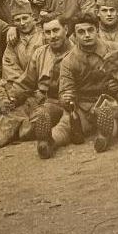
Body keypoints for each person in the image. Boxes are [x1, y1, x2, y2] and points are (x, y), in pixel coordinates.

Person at [58, 12, 118, 151]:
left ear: (97, 30)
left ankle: (103, 138)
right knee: (65, 126)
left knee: (110, 125)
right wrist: (65, 97)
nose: (87, 35)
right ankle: (48, 142)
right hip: (82, 106)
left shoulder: (112, 48)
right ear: (74, 35)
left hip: (107, 103)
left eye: (90, 30)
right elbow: (65, 89)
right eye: (81, 32)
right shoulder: (69, 60)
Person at [22, 14, 78, 158]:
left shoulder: (78, 51)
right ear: (43, 34)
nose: (52, 36)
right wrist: (9, 99)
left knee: (71, 123)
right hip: (49, 102)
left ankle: (49, 139)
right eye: (48, 32)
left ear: (66, 29)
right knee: (26, 122)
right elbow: (26, 82)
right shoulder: (40, 53)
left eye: (55, 30)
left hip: (73, 103)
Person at [1, 0, 44, 84]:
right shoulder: (13, 40)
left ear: (32, 17)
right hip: (22, 85)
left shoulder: (44, 35)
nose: (22, 23)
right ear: (13, 22)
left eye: (25, 18)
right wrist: (25, 83)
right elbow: (9, 65)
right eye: (17, 20)